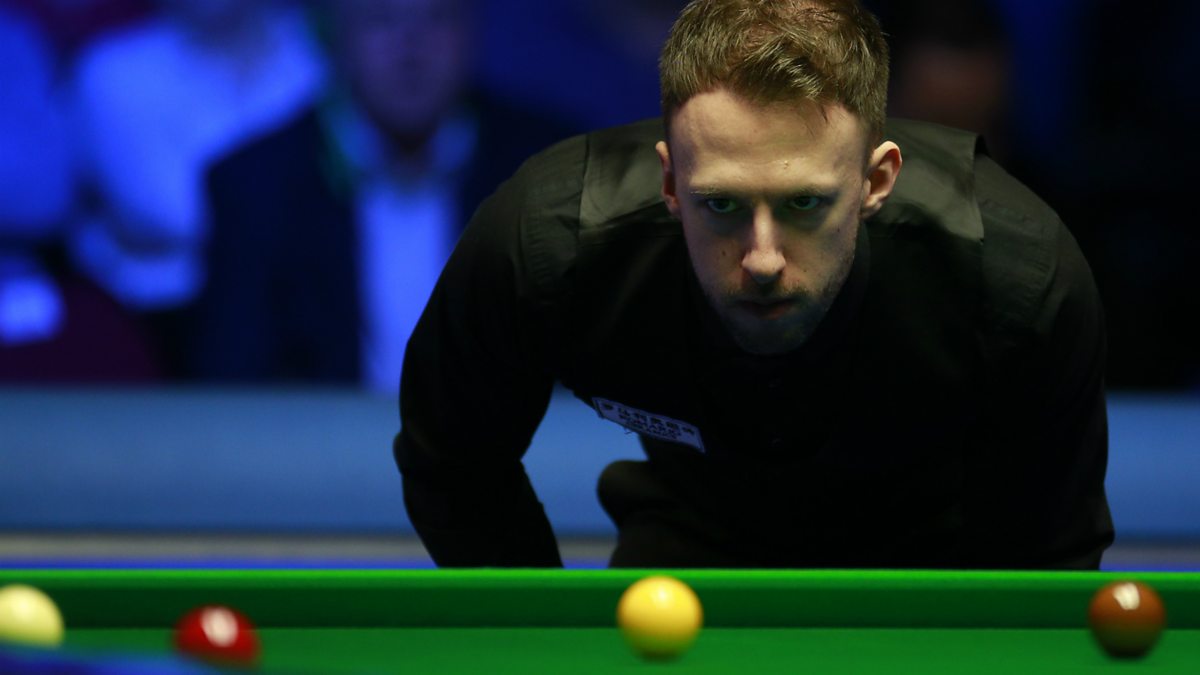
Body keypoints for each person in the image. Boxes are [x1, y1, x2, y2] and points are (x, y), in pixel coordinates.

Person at [394, 0, 1113, 569]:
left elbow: (1049, 547)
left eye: (804, 203)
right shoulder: (549, 245)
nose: (762, 259)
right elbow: (452, 460)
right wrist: (546, 634)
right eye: (722, 204)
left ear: (876, 180)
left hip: (930, 573)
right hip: (682, 560)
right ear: (670, 182)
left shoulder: (1015, 275)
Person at [190, 0, 575, 390]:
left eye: (436, 17)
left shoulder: (554, 168)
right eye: (381, 19)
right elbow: (233, 381)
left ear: (472, 34)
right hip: (324, 430)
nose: (411, 47)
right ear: (337, 39)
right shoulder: (255, 184)